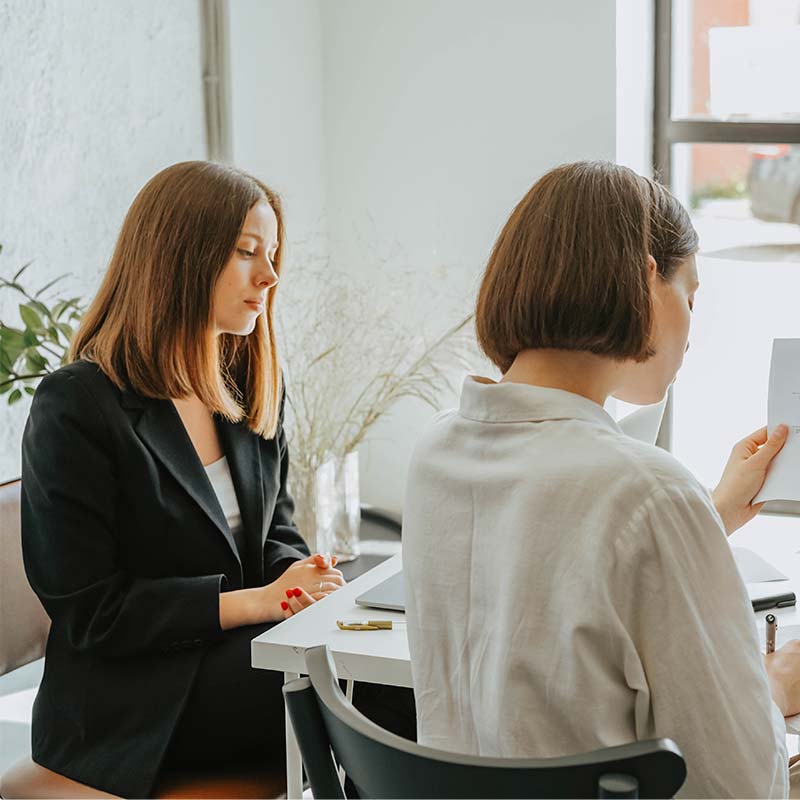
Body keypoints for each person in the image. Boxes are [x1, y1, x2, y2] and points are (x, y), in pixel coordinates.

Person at [402, 160, 800, 798]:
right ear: (647, 283)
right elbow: (744, 785)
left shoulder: (436, 454)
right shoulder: (648, 494)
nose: (693, 332)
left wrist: (708, 514)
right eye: (690, 296)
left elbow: (556, 562)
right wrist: (774, 686)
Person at [21, 161, 414, 798]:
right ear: (179, 257)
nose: (270, 275)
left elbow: (276, 532)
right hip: (132, 699)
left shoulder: (249, 387)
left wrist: (299, 582)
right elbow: (92, 614)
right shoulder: (77, 405)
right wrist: (256, 603)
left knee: (401, 678)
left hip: (240, 656)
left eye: (274, 253)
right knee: (372, 694)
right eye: (246, 252)